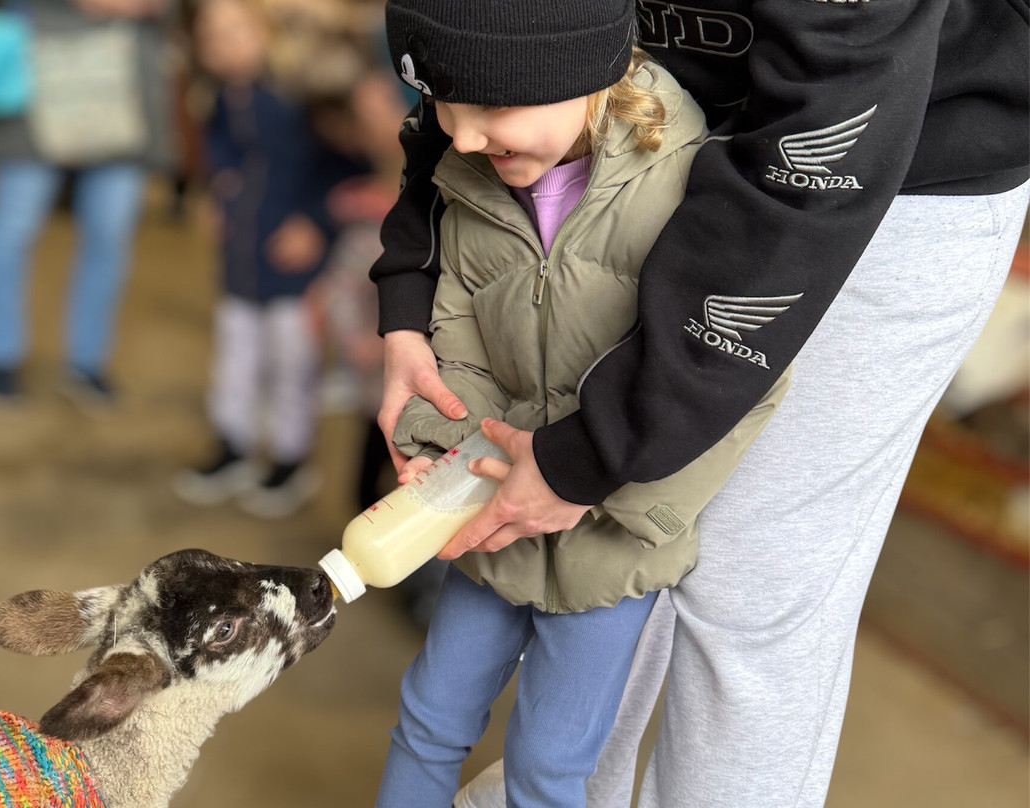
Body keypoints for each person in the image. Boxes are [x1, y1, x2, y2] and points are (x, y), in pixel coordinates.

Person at [371, 0, 1030, 806]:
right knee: (555, 668)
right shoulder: (501, 118)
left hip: (882, 154)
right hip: (612, 104)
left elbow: (815, 152)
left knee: (742, 598)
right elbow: (470, 46)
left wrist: (593, 453)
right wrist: (409, 289)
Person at [374, 2, 793, 805]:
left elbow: (736, 382)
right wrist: (440, 450)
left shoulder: (693, 190)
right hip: (492, 520)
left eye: (489, 105)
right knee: (428, 714)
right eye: (444, 108)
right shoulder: (471, 180)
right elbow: (457, 333)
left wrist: (631, 502)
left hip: (610, 547)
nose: (463, 137)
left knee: (550, 765)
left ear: (582, 73)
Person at [171, 0, 367, 518]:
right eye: (211, 36)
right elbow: (223, 153)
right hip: (241, 257)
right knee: (235, 352)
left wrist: (316, 222)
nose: (222, 45)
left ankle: (289, 456)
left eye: (236, 31)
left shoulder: (301, 95)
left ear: (269, 32)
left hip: (294, 265)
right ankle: (233, 443)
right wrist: (216, 191)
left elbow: (348, 166)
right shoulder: (222, 98)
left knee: (292, 359)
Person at [0, 0, 174, 413]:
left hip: (125, 87)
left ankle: (87, 362)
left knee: (110, 234)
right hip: (36, 76)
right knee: (10, 229)